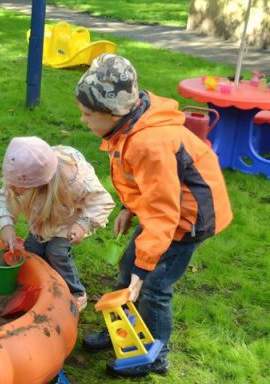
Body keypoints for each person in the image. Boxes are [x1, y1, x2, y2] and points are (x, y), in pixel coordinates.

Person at [75, 54, 233, 377]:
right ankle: (122, 325)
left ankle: (156, 352)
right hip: (164, 211)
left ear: (113, 112)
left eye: (88, 115)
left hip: (187, 220)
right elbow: (142, 183)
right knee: (129, 264)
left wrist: (142, 271)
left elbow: (164, 213)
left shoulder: (148, 142)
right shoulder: (129, 125)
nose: (83, 121)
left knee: (154, 284)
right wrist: (129, 208)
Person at [0, 136, 115, 311]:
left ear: (39, 184)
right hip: (41, 217)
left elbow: (101, 201)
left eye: (17, 186)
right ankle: (41, 285)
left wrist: (83, 225)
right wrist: (6, 225)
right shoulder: (20, 174)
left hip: (67, 219)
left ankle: (76, 293)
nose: (12, 188)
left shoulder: (74, 180)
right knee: (33, 250)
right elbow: (4, 197)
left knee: (56, 252)